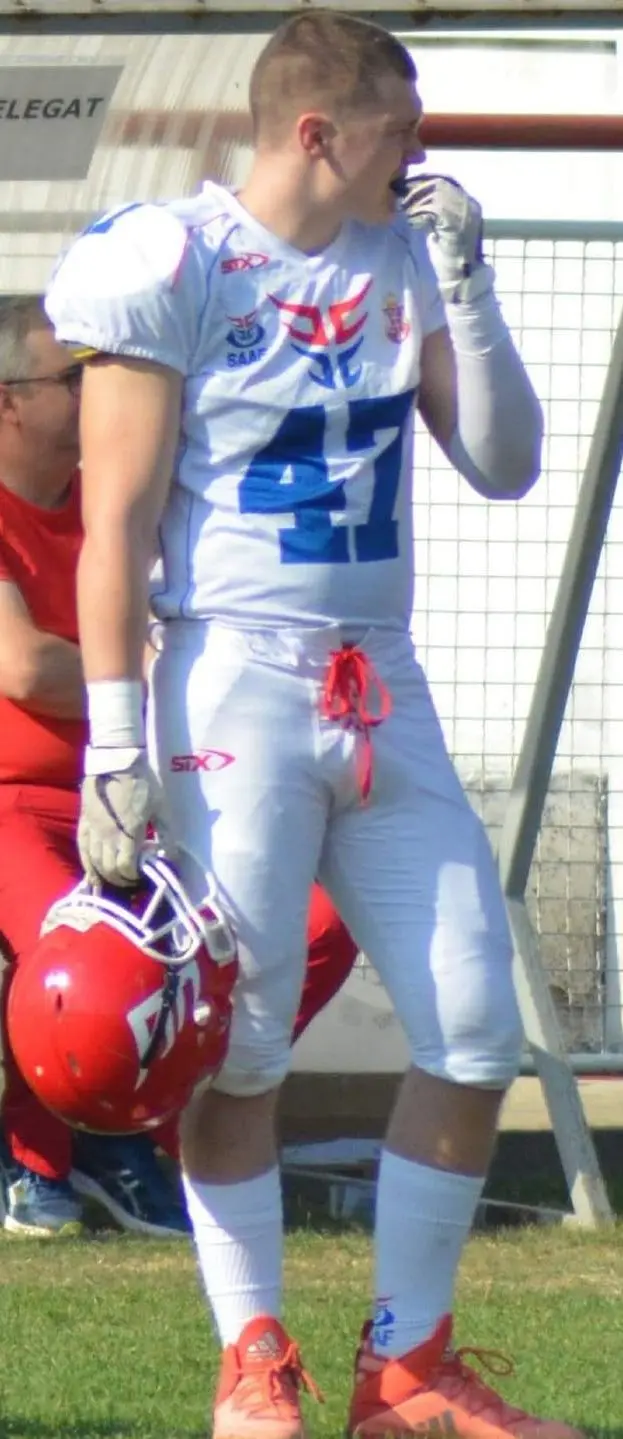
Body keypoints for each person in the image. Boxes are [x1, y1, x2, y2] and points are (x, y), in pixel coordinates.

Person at [44, 11, 582, 1438]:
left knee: (472, 1028)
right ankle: (252, 1358)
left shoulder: (404, 256)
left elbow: (507, 462)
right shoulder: (178, 260)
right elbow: (115, 524)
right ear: (316, 132)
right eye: (400, 127)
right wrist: (114, 741)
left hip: (380, 679)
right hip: (232, 677)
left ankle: (402, 1367)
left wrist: (464, 285)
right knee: (246, 1045)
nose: (422, 156)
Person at [0, 295, 357, 1240]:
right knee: (89, 949)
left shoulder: (114, 505)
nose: (99, 389)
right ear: (10, 402)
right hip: (16, 806)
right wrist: (142, 669)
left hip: (142, 795)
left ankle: (156, 1128)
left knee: (319, 924)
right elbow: (24, 665)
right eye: (74, 376)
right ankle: (50, 1158)